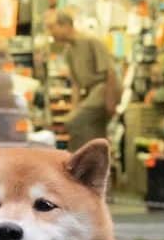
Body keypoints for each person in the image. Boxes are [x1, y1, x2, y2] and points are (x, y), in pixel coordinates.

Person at [44, 9, 120, 152]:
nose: (51, 32)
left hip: (102, 89)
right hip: (89, 93)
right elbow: (76, 85)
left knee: (73, 122)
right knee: (91, 133)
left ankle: (75, 161)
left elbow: (110, 72)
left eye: (52, 27)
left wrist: (111, 102)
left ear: (66, 25)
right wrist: (75, 108)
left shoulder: (92, 42)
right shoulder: (69, 52)